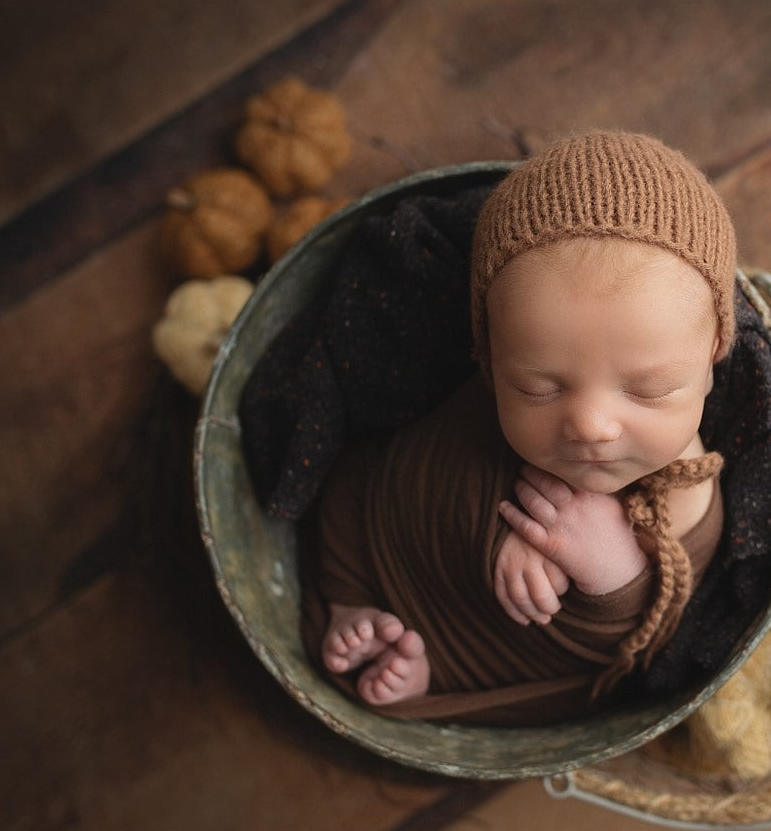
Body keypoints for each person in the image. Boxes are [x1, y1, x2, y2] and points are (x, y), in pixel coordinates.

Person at [298, 131, 739, 724]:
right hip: (388, 539)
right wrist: (352, 588)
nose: (589, 425)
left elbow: (647, 637)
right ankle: (350, 609)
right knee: (356, 487)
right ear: (488, 353)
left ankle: (435, 683)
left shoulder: (685, 498)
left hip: (490, 650)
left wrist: (612, 572)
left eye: (647, 390)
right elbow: (407, 468)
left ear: (713, 352)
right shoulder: (473, 386)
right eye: (539, 387)